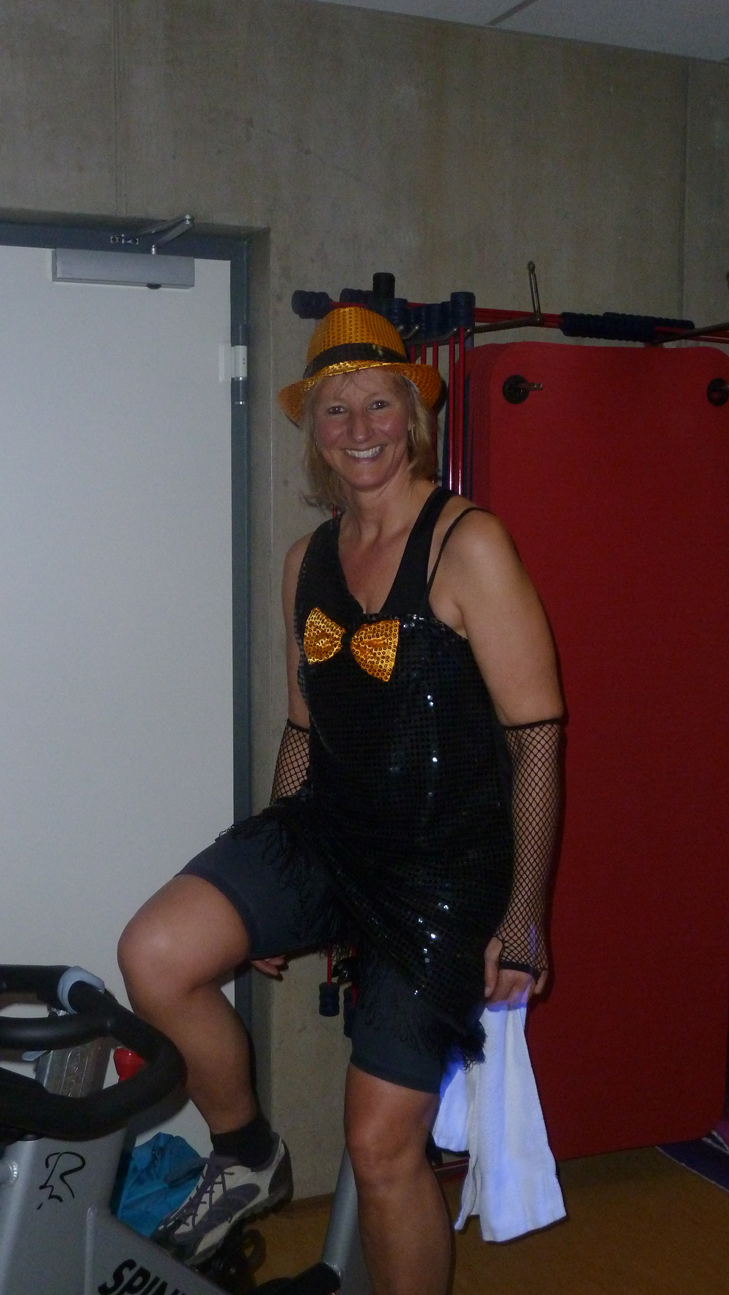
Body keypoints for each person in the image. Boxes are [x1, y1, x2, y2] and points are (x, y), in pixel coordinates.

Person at [118, 305, 563, 1295]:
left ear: (411, 416)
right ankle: (248, 1154)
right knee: (156, 951)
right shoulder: (304, 561)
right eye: (334, 409)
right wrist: (266, 872)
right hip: (328, 836)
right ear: (313, 430)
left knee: (380, 1144)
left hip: (441, 876)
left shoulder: (467, 543)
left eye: (377, 404)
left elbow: (535, 736)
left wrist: (524, 916)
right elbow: (302, 731)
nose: (358, 428)